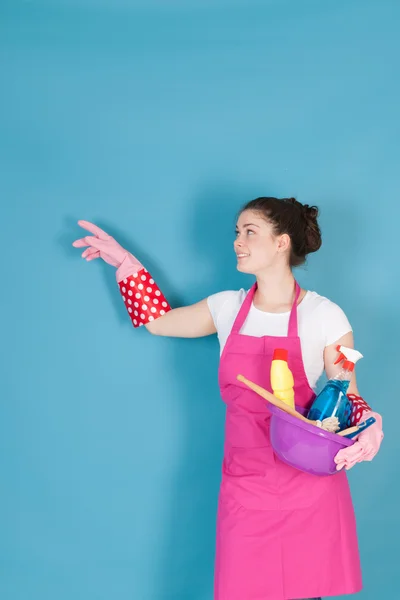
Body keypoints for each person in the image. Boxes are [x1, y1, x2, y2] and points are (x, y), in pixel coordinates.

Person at [73, 196, 383, 600]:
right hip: (246, 481)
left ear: (281, 243)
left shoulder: (325, 315)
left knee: (305, 593)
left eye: (249, 232)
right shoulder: (226, 308)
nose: (237, 241)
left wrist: (370, 423)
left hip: (307, 485)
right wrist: (127, 265)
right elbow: (159, 322)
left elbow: (347, 393)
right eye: (236, 233)